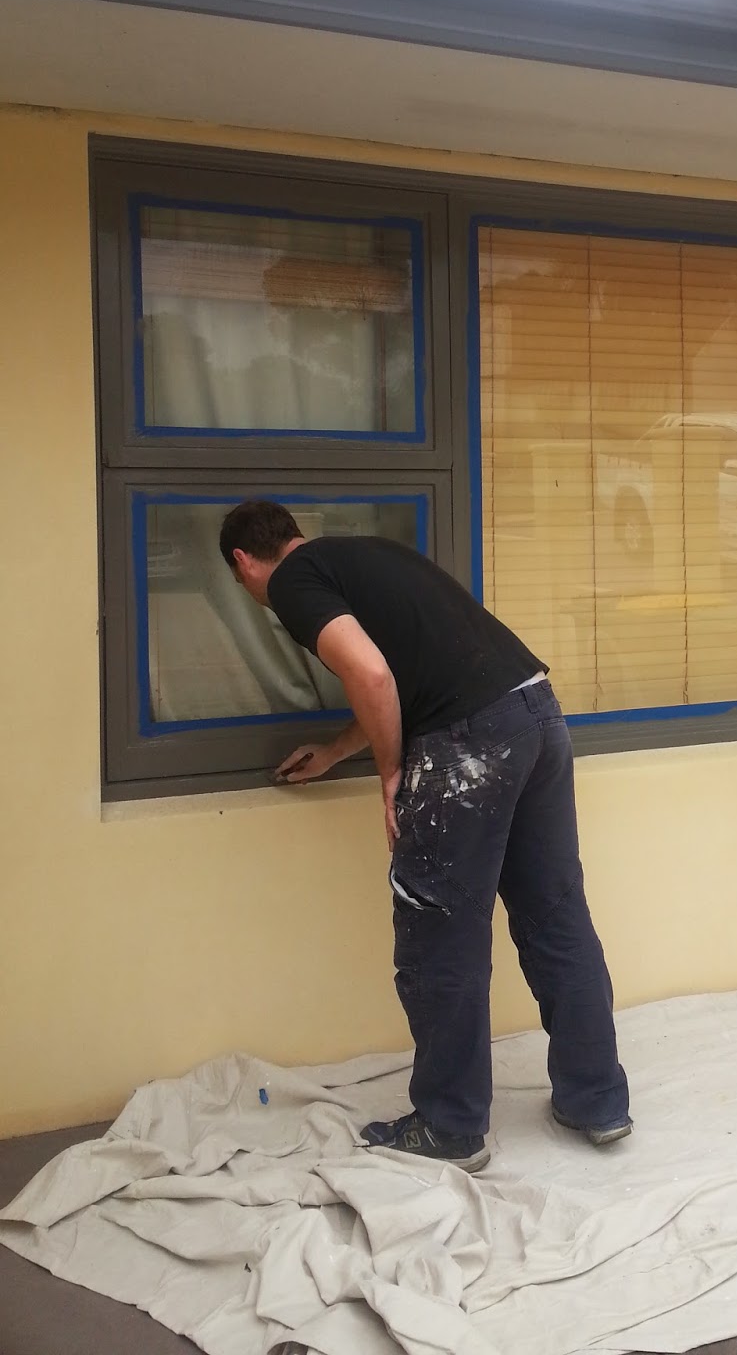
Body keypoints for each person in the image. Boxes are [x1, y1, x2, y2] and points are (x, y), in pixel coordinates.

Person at [217, 500, 631, 1173]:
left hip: (472, 739)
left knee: (439, 934)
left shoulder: (292, 584)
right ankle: (598, 1101)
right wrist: (338, 750)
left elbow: (372, 675)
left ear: (243, 563)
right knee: (555, 913)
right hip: (535, 712)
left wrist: (390, 773)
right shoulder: (364, 556)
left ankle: (450, 1124)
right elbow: (405, 677)